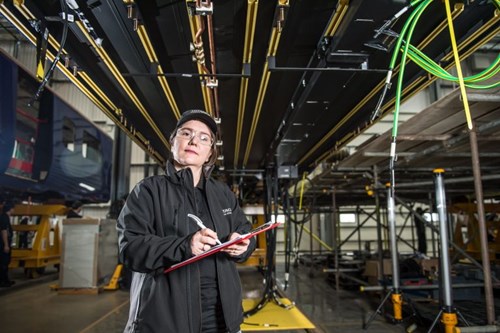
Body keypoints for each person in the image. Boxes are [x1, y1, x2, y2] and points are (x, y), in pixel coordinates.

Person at [117, 109, 256, 333]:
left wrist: (242, 244)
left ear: (210, 152)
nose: (194, 141)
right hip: (167, 324)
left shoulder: (223, 194)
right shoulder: (149, 191)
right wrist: (185, 246)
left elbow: (245, 231)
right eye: (186, 133)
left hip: (224, 323)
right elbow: (130, 249)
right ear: (173, 142)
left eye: (204, 138)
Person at [0, 202, 15, 287]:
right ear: (10, 209)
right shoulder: (4, 218)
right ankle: (3, 281)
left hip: (3, 243)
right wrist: (6, 245)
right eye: (13, 208)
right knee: (4, 262)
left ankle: (5, 280)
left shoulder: (4, 217)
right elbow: (4, 231)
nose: (14, 210)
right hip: (3, 244)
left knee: (4, 262)